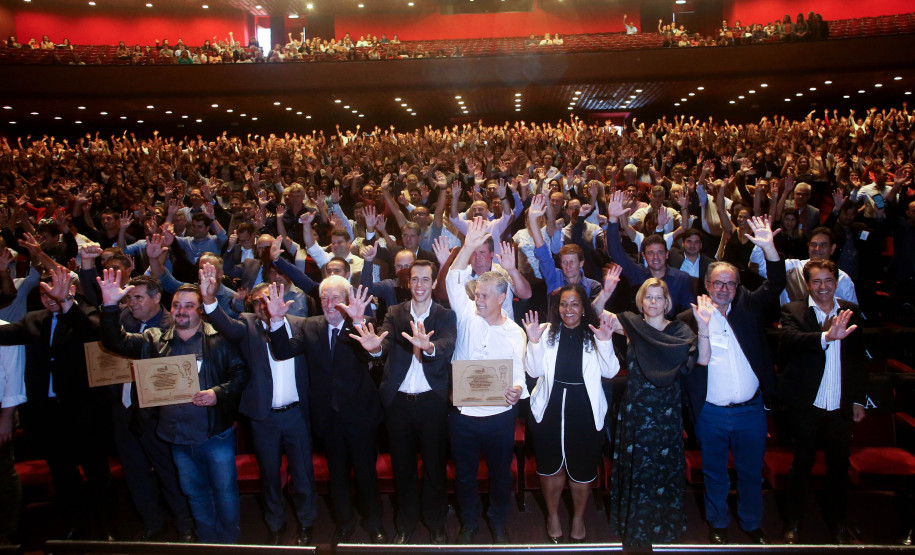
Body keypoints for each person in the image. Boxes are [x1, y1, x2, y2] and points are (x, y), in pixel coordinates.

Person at [98, 272, 248, 544]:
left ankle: (229, 544)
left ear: (200, 310)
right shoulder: (154, 340)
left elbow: (240, 375)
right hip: (176, 437)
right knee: (194, 494)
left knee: (224, 492)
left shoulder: (219, 338)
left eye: (189, 305)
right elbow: (115, 342)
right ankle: (207, 543)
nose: (181, 310)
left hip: (214, 435)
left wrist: (217, 393)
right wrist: (109, 307)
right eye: (177, 304)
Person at [679, 216, 785, 544]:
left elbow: (776, 285)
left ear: (737, 287)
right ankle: (717, 523)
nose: (723, 289)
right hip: (710, 412)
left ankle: (751, 524)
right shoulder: (689, 319)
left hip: (750, 411)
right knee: (714, 474)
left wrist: (769, 248)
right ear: (706, 285)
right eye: (717, 283)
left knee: (751, 473)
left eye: (730, 284)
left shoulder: (748, 308)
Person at [200, 265, 317, 546]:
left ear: (282, 295)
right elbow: (223, 323)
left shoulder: (300, 325)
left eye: (271, 297)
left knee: (303, 475)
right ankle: (275, 524)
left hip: (297, 415)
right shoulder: (247, 325)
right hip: (263, 418)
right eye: (259, 301)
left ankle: (306, 523)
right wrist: (208, 300)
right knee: (269, 476)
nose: (266, 305)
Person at [265, 279, 387, 544]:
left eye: (335, 298)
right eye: (324, 298)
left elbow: (374, 356)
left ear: (347, 300)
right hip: (327, 418)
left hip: (361, 417)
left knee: (366, 473)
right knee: (338, 476)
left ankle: (374, 522)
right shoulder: (310, 326)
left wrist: (364, 333)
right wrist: (275, 321)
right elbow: (283, 350)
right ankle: (344, 523)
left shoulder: (361, 325)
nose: (330, 304)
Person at [0, 266, 113, 541]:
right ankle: (74, 527)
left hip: (84, 411)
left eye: (54, 294)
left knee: (96, 472)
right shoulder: (32, 319)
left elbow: (94, 334)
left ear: (70, 291)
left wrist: (65, 303)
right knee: (63, 474)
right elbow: (4, 334)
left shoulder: (86, 315)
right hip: (47, 414)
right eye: (44, 294)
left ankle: (107, 527)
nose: (48, 298)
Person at [349, 259, 456, 544]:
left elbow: (447, 346)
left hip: (431, 402)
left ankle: (435, 523)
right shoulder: (395, 313)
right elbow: (383, 343)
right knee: (403, 467)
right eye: (415, 279)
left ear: (434, 283)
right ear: (409, 283)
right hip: (398, 404)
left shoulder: (445, 315)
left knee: (434, 467)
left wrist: (429, 346)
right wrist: (374, 350)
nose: (419, 284)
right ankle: (406, 524)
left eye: (425, 279)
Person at [444, 217, 528, 544]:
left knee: (500, 477)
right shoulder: (467, 314)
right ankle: (469, 523)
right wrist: (467, 246)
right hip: (463, 416)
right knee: (464, 477)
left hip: (499, 417)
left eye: (483, 297)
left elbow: (518, 376)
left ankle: (497, 521)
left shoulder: (515, 333)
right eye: (476, 295)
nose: (477, 300)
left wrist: (517, 391)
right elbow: (454, 279)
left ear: (501, 298)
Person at [611, 280, 707, 546]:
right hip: (636, 412)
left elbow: (703, 359)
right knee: (637, 471)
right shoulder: (633, 327)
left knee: (661, 471)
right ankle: (636, 531)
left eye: (658, 298)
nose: (653, 302)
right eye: (648, 297)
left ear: (667, 302)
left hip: (665, 414)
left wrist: (706, 327)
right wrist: (606, 290)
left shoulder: (679, 330)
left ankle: (661, 529)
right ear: (641, 301)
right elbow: (595, 313)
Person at [778, 259, 867, 545]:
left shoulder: (851, 313)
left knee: (839, 467)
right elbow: (790, 341)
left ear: (836, 282)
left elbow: (857, 362)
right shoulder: (793, 310)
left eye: (828, 280)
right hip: (806, 403)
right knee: (801, 465)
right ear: (807, 284)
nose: (823, 286)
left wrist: (857, 400)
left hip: (839, 405)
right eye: (816, 281)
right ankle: (794, 522)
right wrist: (826, 336)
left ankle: (838, 523)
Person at [522, 284, 620, 543]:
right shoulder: (545, 333)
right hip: (549, 407)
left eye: (574, 304)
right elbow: (532, 372)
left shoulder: (595, 333)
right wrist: (532, 342)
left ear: (584, 308)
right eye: (564, 304)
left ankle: (578, 518)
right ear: (557, 308)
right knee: (550, 468)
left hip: (584, 408)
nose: (568, 309)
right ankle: (553, 516)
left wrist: (606, 342)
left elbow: (610, 372)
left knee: (582, 468)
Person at [606, 191, 694, 316]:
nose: (656, 257)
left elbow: (689, 312)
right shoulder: (637, 274)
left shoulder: (681, 278)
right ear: (644, 256)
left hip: (671, 331)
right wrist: (613, 220)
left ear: (667, 254)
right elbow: (616, 253)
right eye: (651, 253)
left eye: (660, 253)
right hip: (642, 330)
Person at [0, 316, 25, 544]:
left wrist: (6, 417)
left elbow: (14, 377)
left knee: (2, 472)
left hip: (1, 411)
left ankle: (8, 534)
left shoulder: (5, 329)